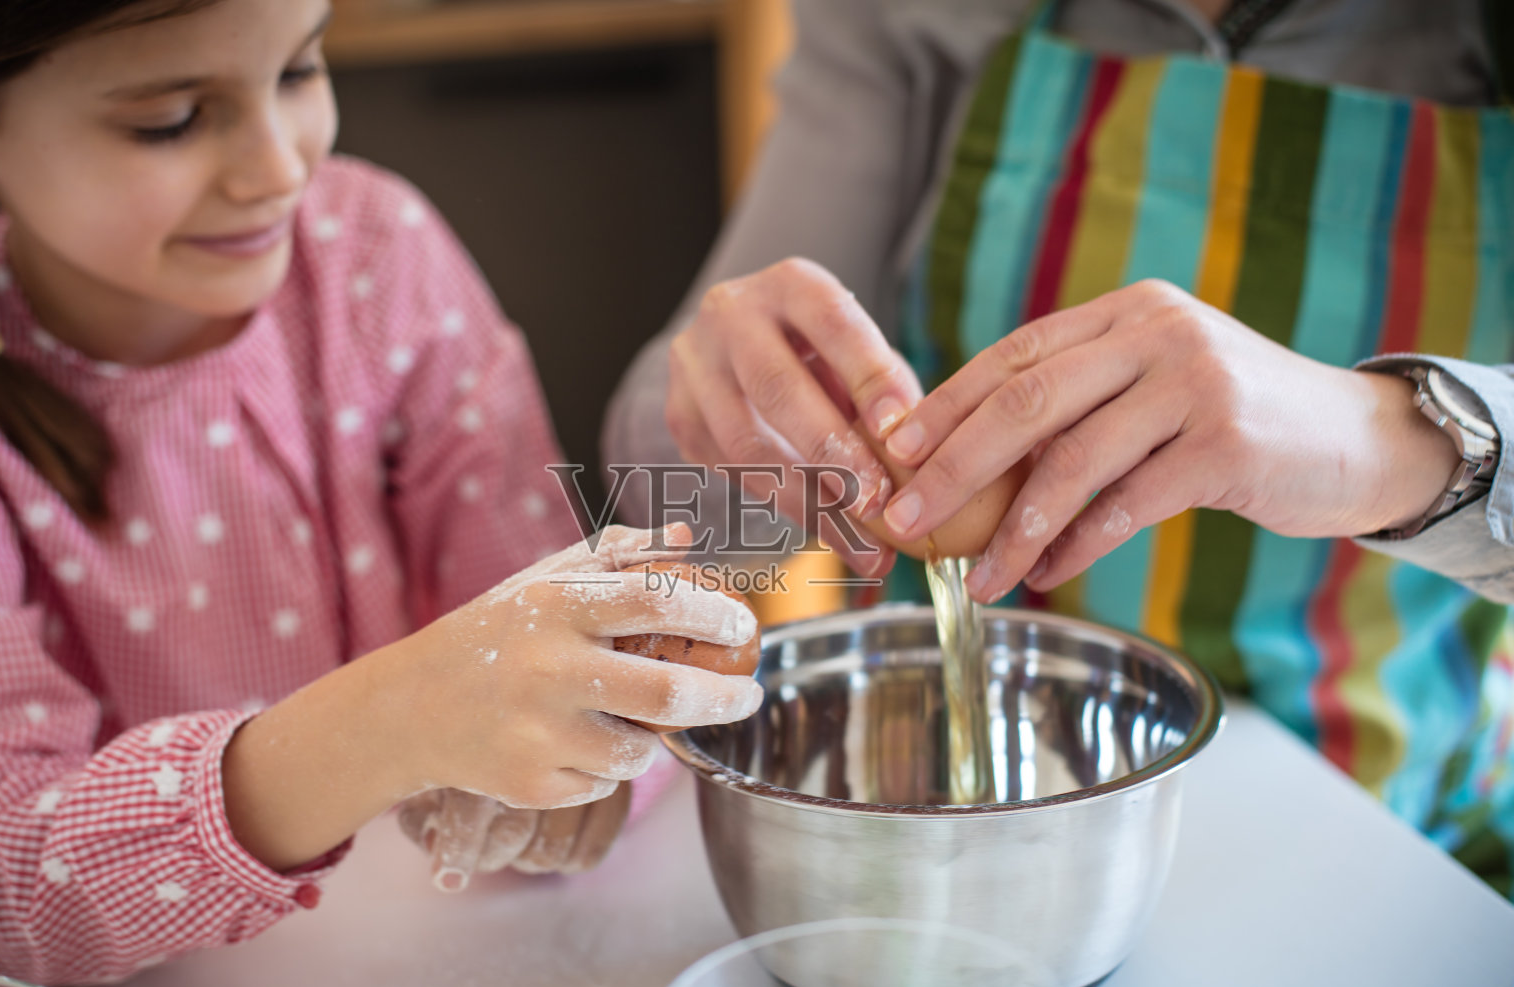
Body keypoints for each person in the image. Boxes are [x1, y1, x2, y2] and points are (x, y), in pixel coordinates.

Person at [0, 0, 763, 987]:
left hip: (426, 964)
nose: (278, 167)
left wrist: (600, 742)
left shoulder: (375, 254)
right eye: (170, 120)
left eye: (299, 71)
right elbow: (9, 876)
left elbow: (546, 604)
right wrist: (400, 714)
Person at [606, 0, 1514, 896]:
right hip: (959, 836)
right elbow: (681, 516)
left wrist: (1398, 436)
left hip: (1397, 848)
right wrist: (712, 402)